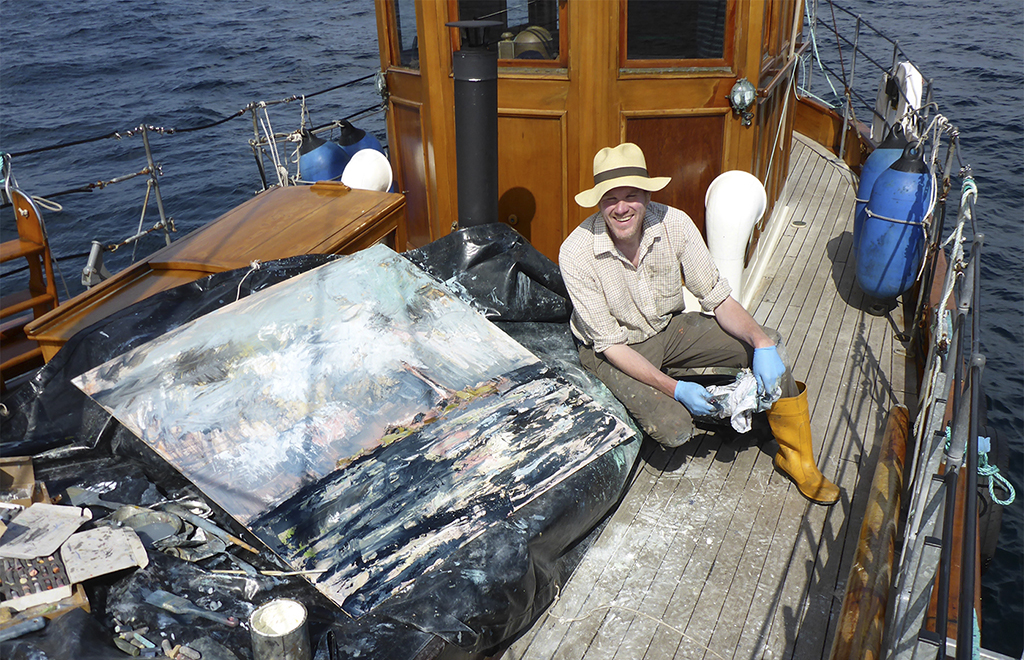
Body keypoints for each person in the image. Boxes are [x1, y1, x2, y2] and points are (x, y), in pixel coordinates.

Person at [559, 142, 839, 505]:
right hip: (612, 350)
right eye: (611, 198)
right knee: (675, 430)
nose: (622, 207)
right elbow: (611, 345)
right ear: (599, 204)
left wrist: (762, 344)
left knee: (770, 340)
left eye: (631, 195)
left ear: (647, 194)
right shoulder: (576, 252)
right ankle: (688, 396)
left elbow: (717, 298)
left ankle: (798, 457)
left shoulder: (674, 223)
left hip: (666, 327)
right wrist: (675, 389)